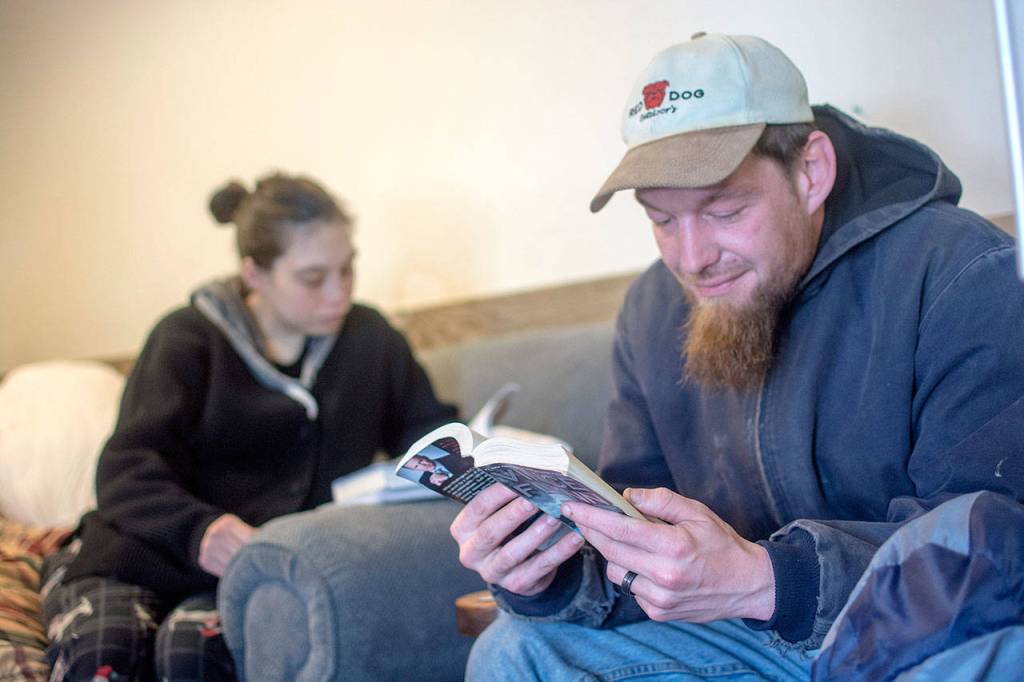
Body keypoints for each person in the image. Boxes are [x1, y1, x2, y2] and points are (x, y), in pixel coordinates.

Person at [451, 33, 1024, 679]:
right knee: (514, 648)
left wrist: (770, 581)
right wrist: (548, 576)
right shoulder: (653, 310)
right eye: (662, 220)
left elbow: (1005, 550)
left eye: (724, 209)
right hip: (754, 643)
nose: (691, 258)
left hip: (917, 643)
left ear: (811, 172)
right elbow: (637, 538)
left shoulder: (961, 273)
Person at [40, 172, 456, 681]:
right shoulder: (187, 339)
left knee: (194, 658)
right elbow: (126, 473)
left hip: (248, 574)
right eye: (312, 278)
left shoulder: (371, 339)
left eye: (348, 270)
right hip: (140, 556)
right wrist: (201, 530)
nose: (338, 293)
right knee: (106, 656)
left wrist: (478, 457)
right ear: (254, 274)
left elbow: (429, 434)